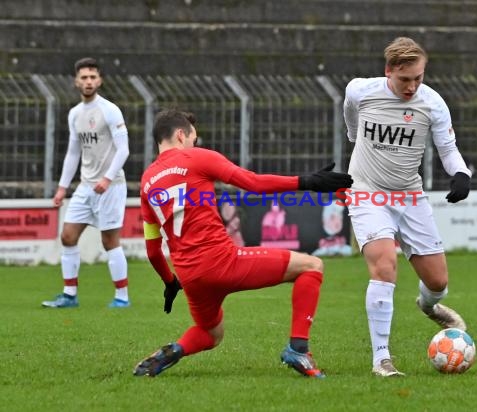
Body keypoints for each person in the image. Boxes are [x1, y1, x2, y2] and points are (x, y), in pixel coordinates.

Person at [133, 109, 353, 378]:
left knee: (211, 333)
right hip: (223, 262)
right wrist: (307, 181)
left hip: (190, 276)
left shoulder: (146, 182)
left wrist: (170, 282)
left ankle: (176, 350)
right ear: (181, 134)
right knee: (312, 266)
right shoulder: (197, 158)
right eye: (193, 138)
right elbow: (253, 183)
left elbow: (153, 250)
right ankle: (298, 348)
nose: (195, 144)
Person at [343, 37, 472, 377]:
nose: (412, 86)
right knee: (385, 265)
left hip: (409, 195)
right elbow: (349, 111)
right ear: (389, 71)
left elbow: (448, 147)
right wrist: (354, 135)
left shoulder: (433, 103)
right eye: (405, 79)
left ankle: (428, 305)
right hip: (367, 192)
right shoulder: (361, 90)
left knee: (438, 282)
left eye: (419, 77)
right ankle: (381, 359)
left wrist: (460, 172)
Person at [42, 57, 131, 309]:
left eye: (93, 77)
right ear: (76, 81)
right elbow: (73, 152)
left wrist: (107, 177)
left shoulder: (110, 110)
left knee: (109, 241)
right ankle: (69, 295)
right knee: (68, 236)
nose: (88, 81)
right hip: (85, 186)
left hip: (111, 186)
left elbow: (124, 150)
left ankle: (122, 297)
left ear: (100, 80)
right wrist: (62, 187)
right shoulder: (75, 114)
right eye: (84, 77)